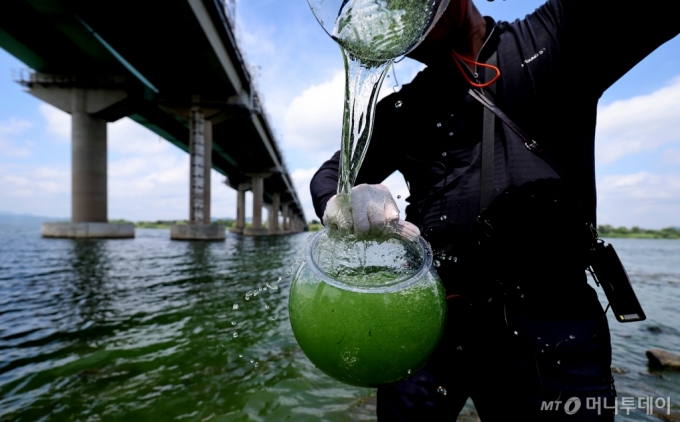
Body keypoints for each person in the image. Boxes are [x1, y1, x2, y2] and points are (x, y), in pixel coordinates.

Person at [310, 0, 680, 420]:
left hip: (552, 320)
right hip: (429, 317)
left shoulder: (556, 35)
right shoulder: (407, 107)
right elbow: (329, 173)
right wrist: (341, 201)